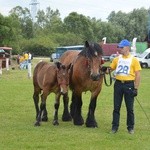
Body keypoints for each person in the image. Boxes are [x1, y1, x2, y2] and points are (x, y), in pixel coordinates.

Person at [108, 39, 141, 134]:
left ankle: (130, 127)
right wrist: (105, 69)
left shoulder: (134, 60)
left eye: (121, 47)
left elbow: (138, 74)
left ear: (127, 48)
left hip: (129, 85)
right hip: (118, 84)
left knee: (129, 108)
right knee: (116, 107)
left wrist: (136, 88)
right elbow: (111, 69)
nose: (119, 49)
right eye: (119, 47)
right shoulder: (116, 59)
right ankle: (114, 127)